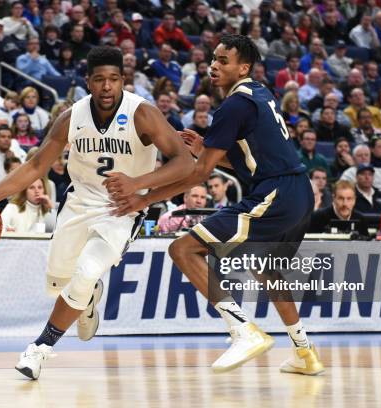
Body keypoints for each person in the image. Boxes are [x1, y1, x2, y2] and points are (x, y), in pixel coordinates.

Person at [0, 46, 192, 380]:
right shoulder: (71, 116)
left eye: (113, 79)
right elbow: (36, 164)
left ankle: (39, 349)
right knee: (59, 280)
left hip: (121, 210)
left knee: (88, 269)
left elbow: (184, 162)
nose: (106, 87)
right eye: (99, 80)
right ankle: (89, 295)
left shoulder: (143, 114)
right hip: (79, 203)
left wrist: (139, 184)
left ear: (123, 80)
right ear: (88, 83)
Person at [105, 35, 324, 375]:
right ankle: (305, 352)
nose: (214, 65)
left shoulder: (234, 104)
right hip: (297, 192)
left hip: (275, 195)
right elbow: (251, 163)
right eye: (214, 59)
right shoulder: (262, 94)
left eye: (224, 60)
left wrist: (141, 193)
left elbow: (196, 176)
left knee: (183, 249)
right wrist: (207, 149)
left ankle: (243, 330)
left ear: (244, 67)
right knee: (268, 270)